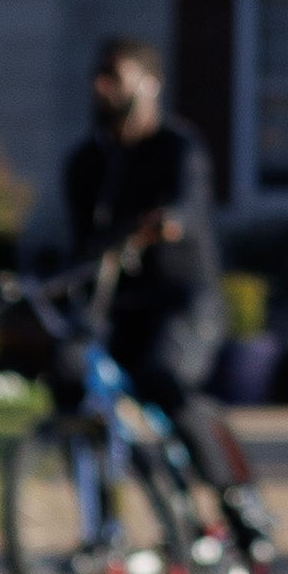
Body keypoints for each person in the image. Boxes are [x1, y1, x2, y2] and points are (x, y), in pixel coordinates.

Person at [58, 37, 225, 410]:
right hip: (116, 307)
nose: (101, 87)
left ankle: (220, 468)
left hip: (180, 304)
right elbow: (80, 242)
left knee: (162, 383)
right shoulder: (86, 162)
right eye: (98, 76)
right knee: (68, 375)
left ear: (150, 84)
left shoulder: (177, 148)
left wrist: (169, 221)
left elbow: (189, 204)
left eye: (113, 76)